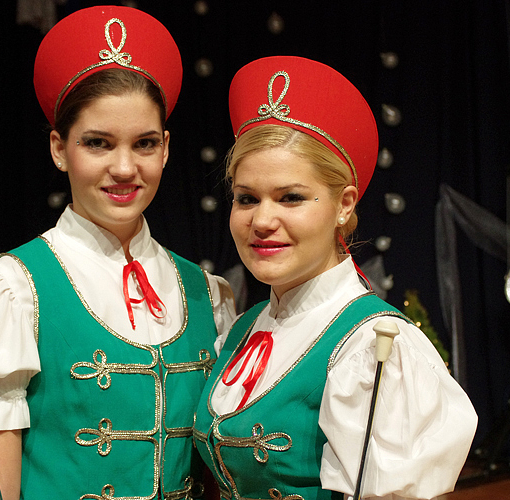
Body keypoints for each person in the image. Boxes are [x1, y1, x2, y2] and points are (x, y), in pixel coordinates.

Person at [0, 6, 234, 500]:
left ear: (166, 148)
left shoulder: (207, 294)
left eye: (144, 143)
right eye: (98, 143)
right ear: (58, 148)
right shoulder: (10, 292)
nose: (125, 168)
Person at [193, 56, 477, 500]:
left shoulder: (373, 347)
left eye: (290, 197)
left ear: (344, 205)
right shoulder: (243, 328)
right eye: (246, 198)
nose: (262, 221)